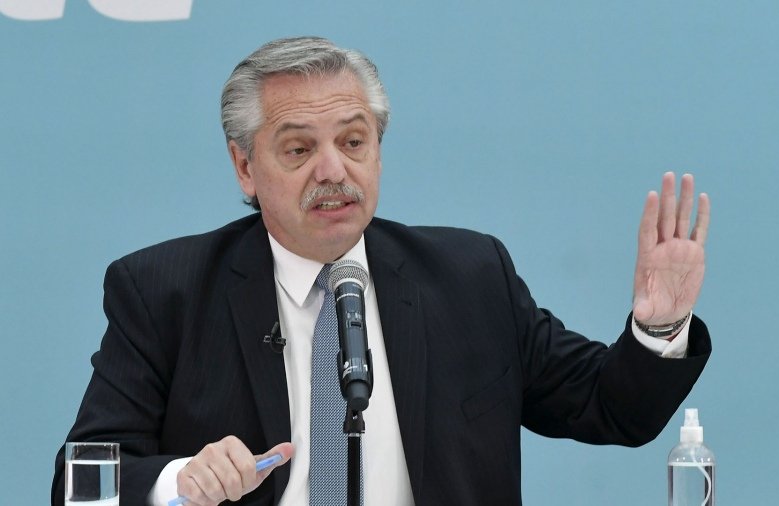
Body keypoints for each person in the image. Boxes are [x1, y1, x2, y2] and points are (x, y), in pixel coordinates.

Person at [52, 37, 712, 506]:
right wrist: (180, 480)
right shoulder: (164, 291)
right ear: (245, 167)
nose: (333, 170)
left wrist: (660, 327)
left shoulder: (469, 277)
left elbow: (611, 409)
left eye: (353, 141)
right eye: (299, 149)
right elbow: (80, 482)